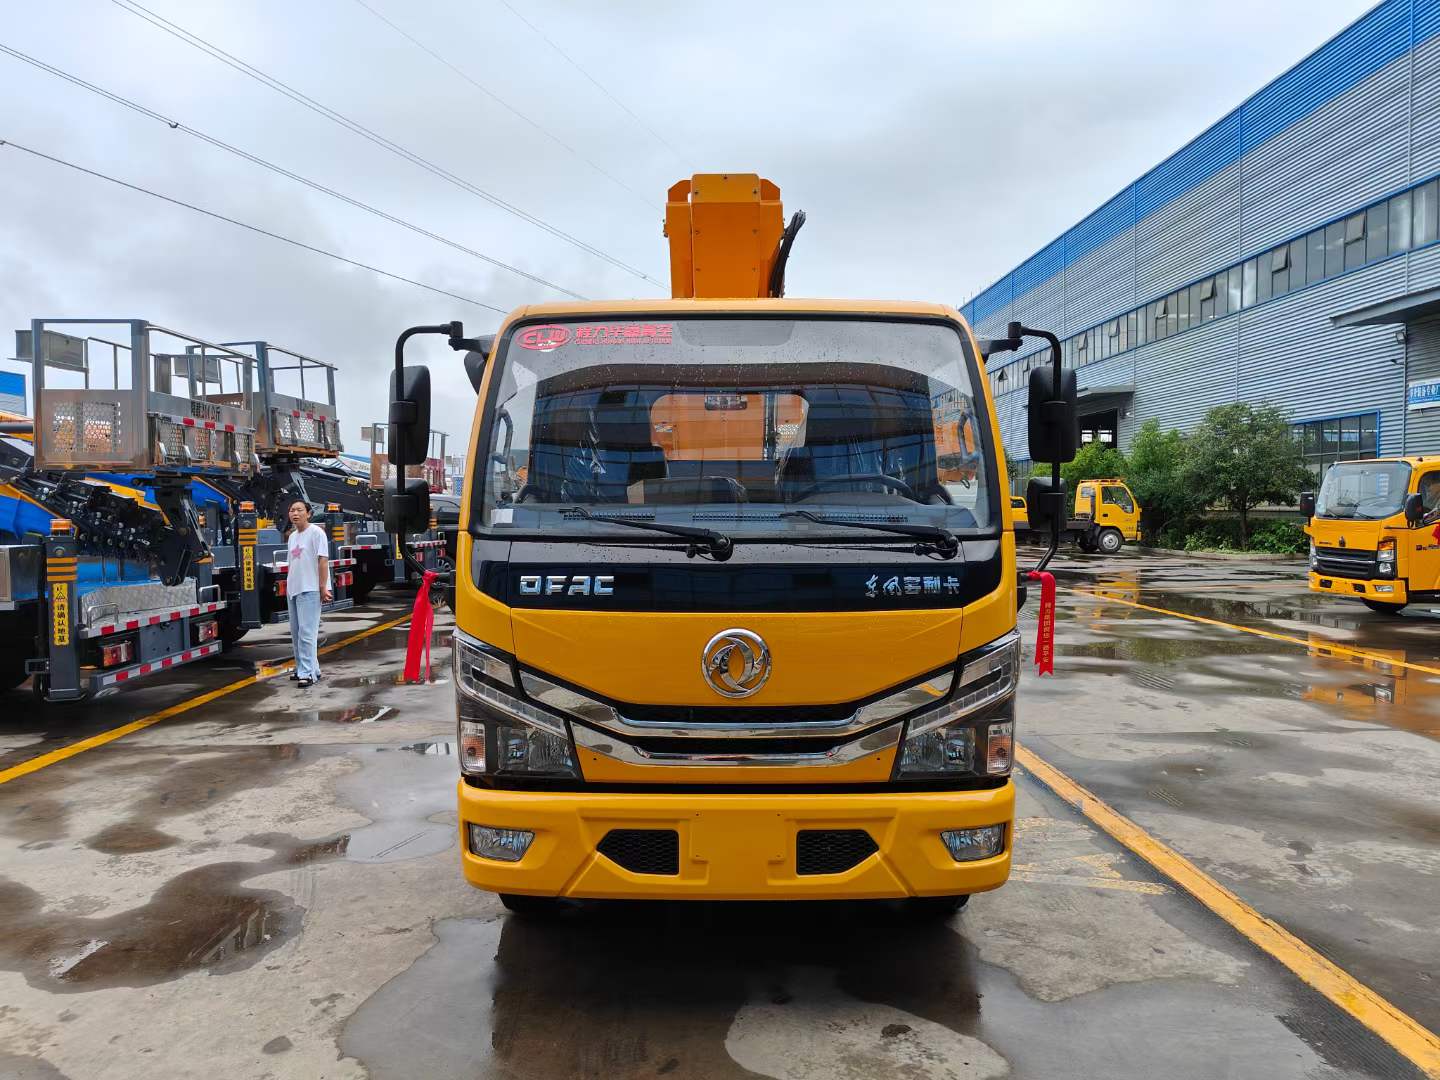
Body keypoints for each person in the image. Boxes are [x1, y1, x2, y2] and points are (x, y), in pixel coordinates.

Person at [284, 498, 331, 687]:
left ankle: (307, 673)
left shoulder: (316, 533)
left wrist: (323, 587)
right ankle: (307, 669)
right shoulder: (292, 536)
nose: (295, 513)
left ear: (309, 513)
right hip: (294, 589)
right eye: (292, 510)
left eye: (299, 510)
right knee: (297, 633)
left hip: (310, 589)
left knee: (307, 633)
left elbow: (323, 561)